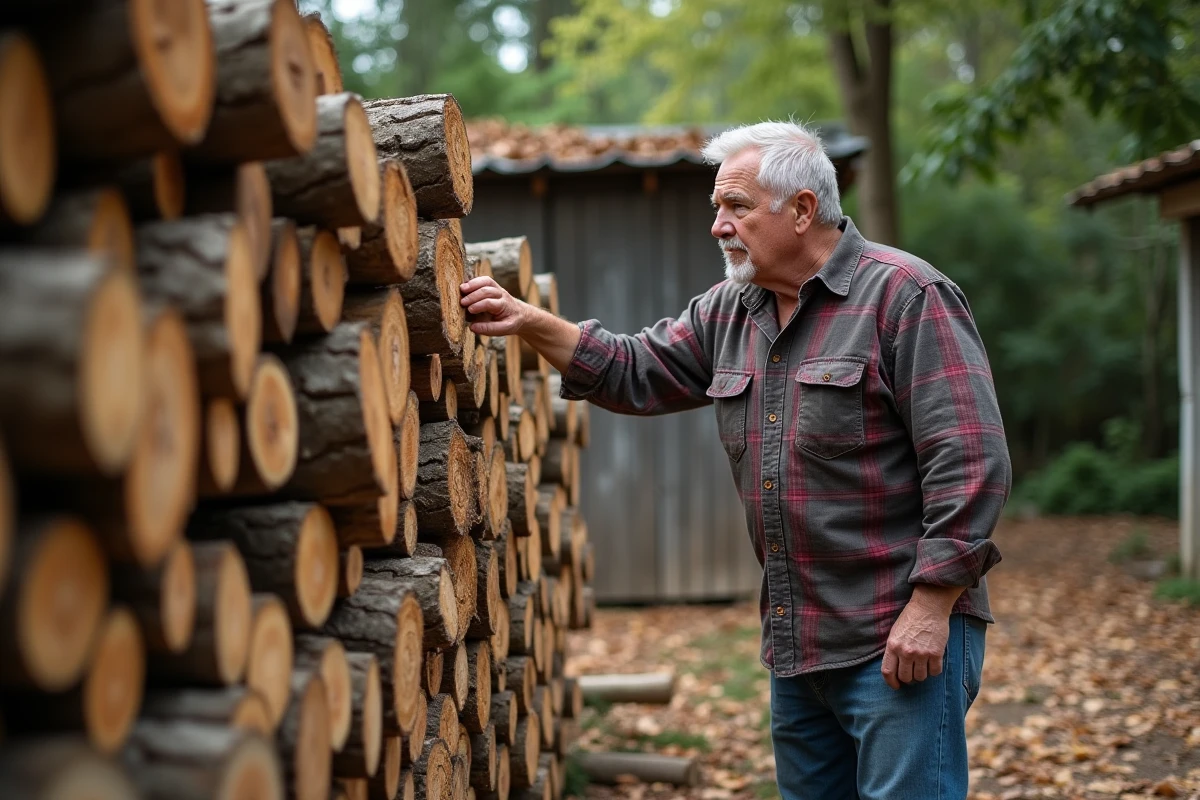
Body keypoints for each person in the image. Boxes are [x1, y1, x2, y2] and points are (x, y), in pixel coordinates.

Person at [459, 121, 1011, 799]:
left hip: (896, 636)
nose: (718, 226)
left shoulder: (906, 297)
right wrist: (532, 322)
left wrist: (932, 607)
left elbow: (971, 460)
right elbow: (637, 370)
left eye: (737, 208)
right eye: (716, 209)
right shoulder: (731, 310)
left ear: (803, 209)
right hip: (798, 640)